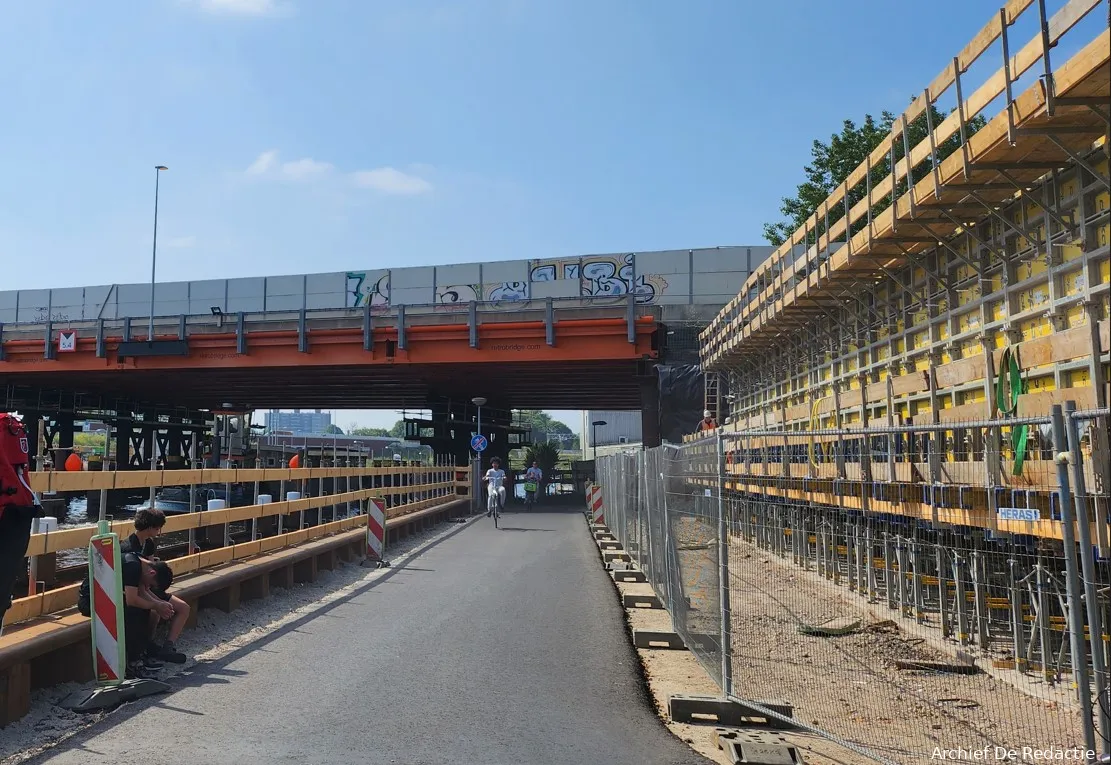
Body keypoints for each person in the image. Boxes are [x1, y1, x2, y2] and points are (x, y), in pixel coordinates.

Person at [120, 508, 188, 664]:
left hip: (149, 585)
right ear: (151, 527)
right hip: (138, 588)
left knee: (183, 608)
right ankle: (146, 647)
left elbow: (152, 570)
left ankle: (167, 647)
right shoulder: (129, 547)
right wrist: (158, 603)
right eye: (158, 528)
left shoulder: (148, 543)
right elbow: (137, 584)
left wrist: (158, 600)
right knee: (154, 612)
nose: (159, 531)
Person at [122, 552, 175, 679]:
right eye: (151, 584)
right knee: (135, 612)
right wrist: (156, 606)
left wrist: (160, 604)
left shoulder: (141, 562)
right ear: (152, 573)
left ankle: (140, 654)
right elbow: (132, 600)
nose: (149, 586)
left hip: (107, 596)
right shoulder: (132, 566)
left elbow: (142, 590)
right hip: (91, 599)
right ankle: (133, 663)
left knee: (145, 610)